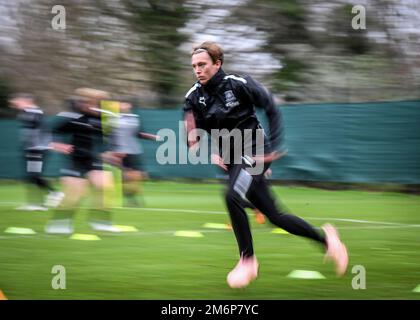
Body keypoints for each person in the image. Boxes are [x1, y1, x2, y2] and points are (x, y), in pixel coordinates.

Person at [183, 41, 348, 288]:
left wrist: (272, 147)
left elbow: (271, 107)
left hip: (254, 150)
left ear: (217, 64)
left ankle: (247, 260)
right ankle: (327, 240)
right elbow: (196, 131)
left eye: (202, 64)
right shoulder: (193, 96)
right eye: (194, 66)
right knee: (275, 216)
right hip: (232, 159)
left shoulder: (239, 84)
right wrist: (196, 141)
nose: (197, 70)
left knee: (231, 196)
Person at [45, 88, 119, 234]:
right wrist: (55, 143)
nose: (94, 105)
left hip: (94, 159)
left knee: (105, 187)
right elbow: (50, 132)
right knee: (75, 193)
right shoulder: (70, 117)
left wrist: (109, 152)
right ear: (81, 102)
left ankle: (101, 222)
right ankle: (59, 223)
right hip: (75, 160)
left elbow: (108, 139)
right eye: (90, 102)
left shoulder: (104, 119)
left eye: (99, 102)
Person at [9, 93, 64, 211]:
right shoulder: (26, 113)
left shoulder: (35, 113)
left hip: (37, 149)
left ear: (27, 101)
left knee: (34, 176)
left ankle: (53, 193)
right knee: (30, 177)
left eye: (17, 101)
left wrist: (48, 144)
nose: (14, 103)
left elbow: (45, 130)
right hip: (31, 148)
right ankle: (35, 204)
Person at [105, 99, 161, 207]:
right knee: (128, 177)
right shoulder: (111, 118)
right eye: (119, 104)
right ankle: (131, 200)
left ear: (129, 105)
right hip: (120, 152)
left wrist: (152, 137)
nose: (121, 106)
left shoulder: (134, 118)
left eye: (123, 103)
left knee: (139, 177)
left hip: (135, 151)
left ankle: (130, 196)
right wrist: (111, 150)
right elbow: (107, 136)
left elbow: (138, 133)